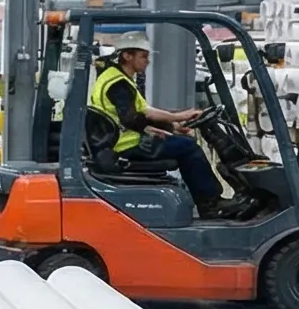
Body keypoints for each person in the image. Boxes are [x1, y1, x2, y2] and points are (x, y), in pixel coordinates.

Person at [89, 41, 233, 213]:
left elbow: (144, 111)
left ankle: (204, 200)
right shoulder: (118, 83)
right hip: (126, 145)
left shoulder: (114, 77)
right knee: (189, 147)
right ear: (127, 56)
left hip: (120, 141)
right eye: (143, 56)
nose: (147, 61)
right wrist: (178, 117)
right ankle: (210, 203)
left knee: (182, 143)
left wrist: (172, 124)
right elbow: (131, 118)